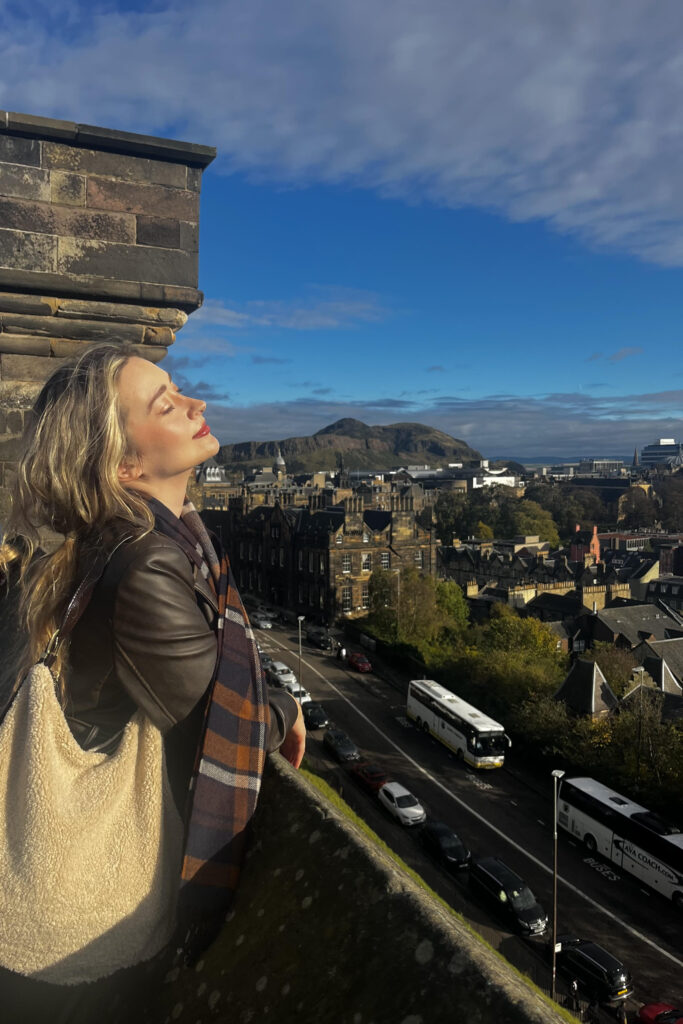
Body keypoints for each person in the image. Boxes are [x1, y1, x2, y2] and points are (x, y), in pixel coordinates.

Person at [0, 344, 305, 1022]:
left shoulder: (124, 544)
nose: (197, 404)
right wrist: (286, 709)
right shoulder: (144, 568)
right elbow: (221, 730)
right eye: (166, 404)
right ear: (123, 462)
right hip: (78, 930)